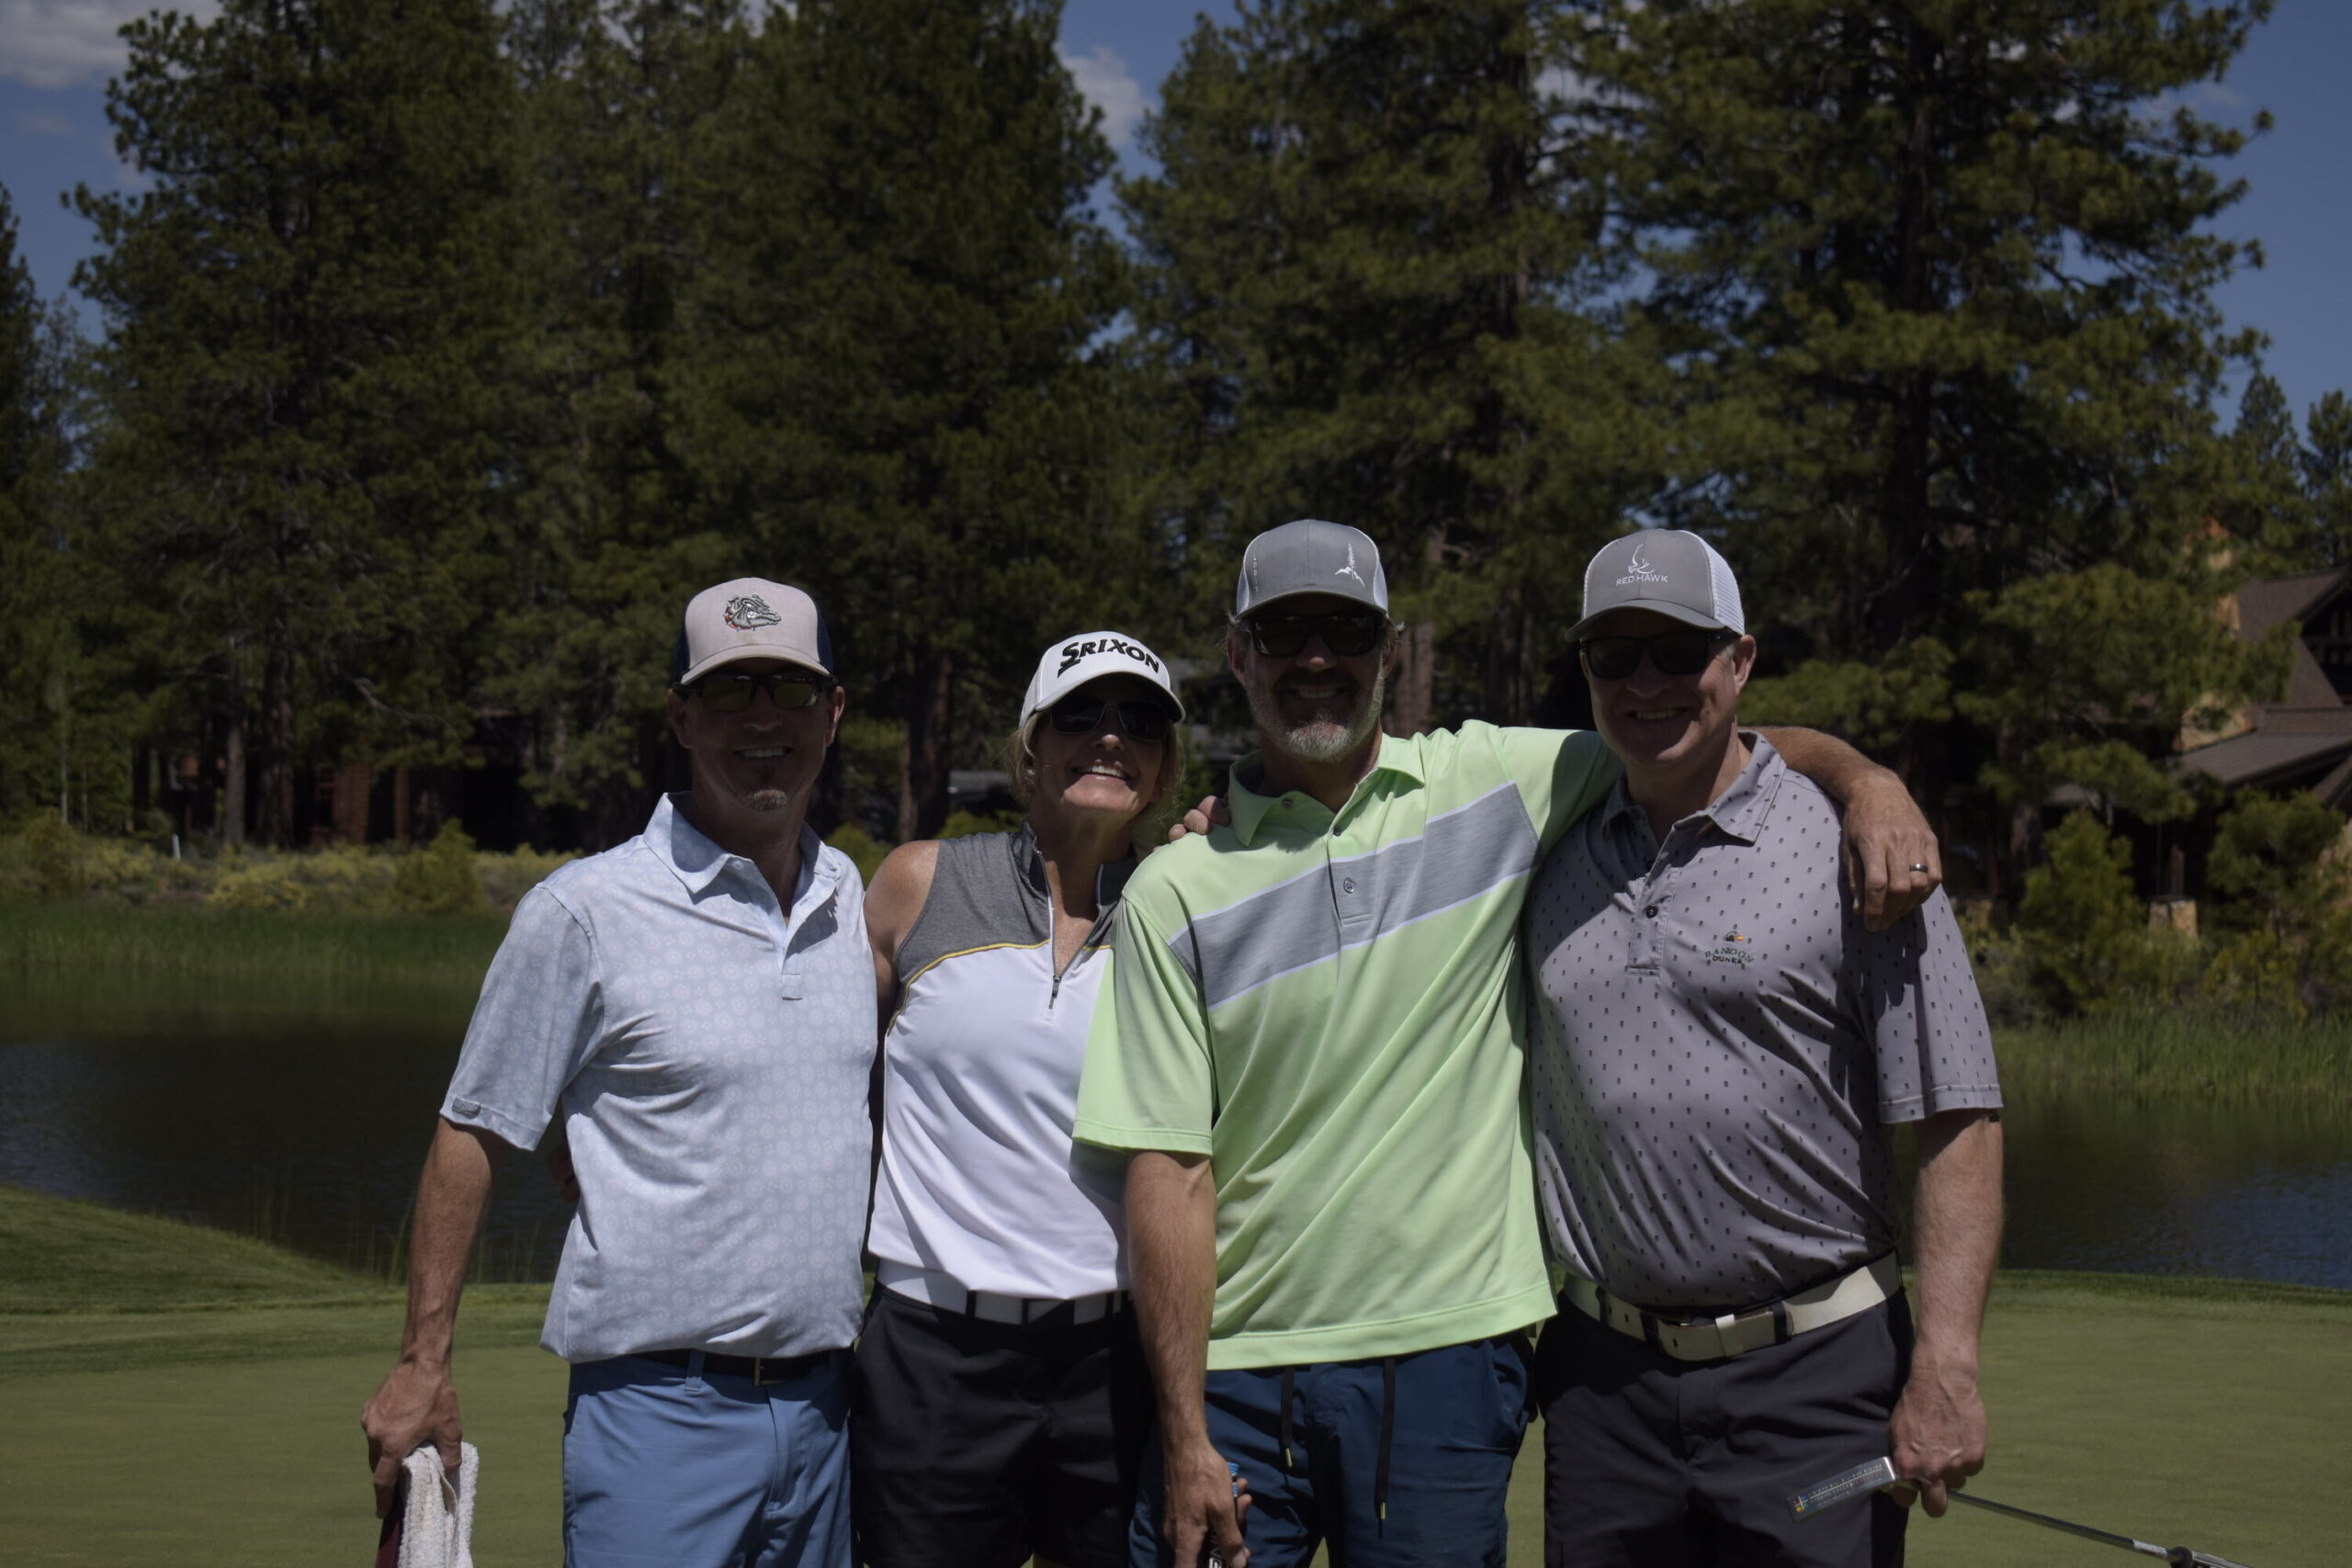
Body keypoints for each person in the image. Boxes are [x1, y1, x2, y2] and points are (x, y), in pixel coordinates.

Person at [1073, 519, 1941, 1568]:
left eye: (1344, 631)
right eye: (1285, 631)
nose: (1316, 659)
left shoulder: (1496, 782)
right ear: (1239, 652)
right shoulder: (1180, 882)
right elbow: (1169, 1172)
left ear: (1386, 649)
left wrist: (1865, 779)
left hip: (1445, 1361)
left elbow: (1692, 735)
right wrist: (1182, 1430)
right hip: (1238, 1375)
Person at [360, 578, 874, 1568]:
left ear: (833, 711)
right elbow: (471, 1134)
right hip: (656, 1417)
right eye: (730, 691)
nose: (763, 718)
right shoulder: (585, 911)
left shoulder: (849, 895)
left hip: (826, 1418)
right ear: (681, 715)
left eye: (790, 689)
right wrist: (425, 1361)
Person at [1522, 529, 2004, 1568]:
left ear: (1738, 661)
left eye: (1676, 651)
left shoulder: (1857, 846)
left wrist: (1946, 1367)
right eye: (1615, 656)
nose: (1645, 682)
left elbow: (1957, 1121)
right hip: (1604, 1387)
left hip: (1818, 1375)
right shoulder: (1543, 838)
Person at [853, 631, 1190, 1568]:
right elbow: (813, 1073)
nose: (1110, 739)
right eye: (1079, 715)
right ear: (1029, 750)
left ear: (1163, 772)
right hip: (932, 1355)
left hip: (1112, 1365)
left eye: (1141, 723)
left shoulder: (1184, 906)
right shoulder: (918, 883)